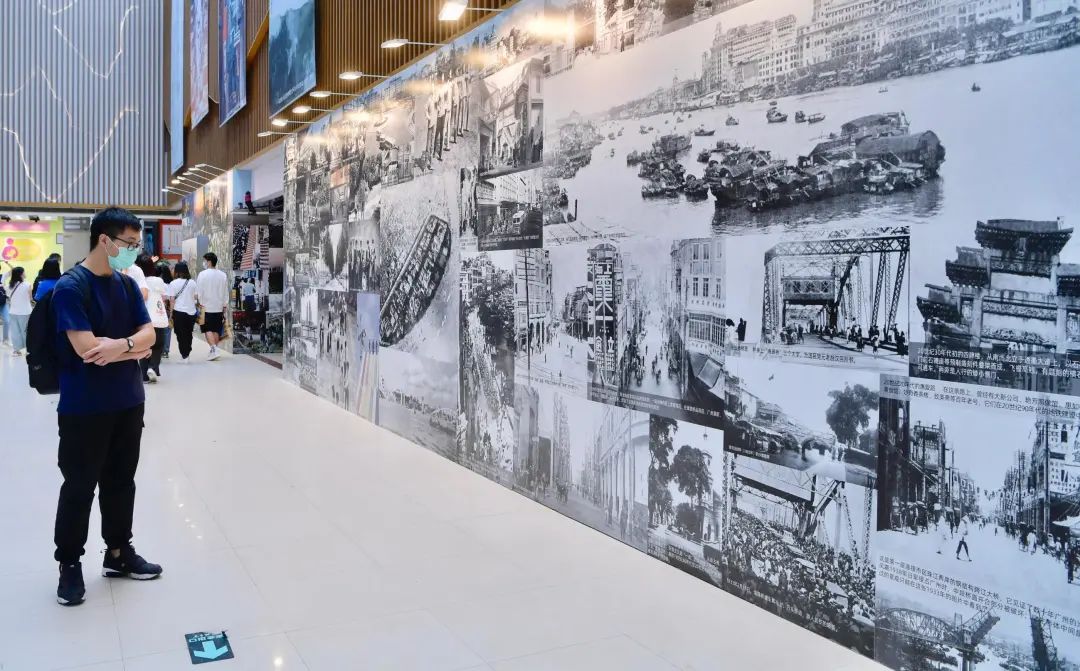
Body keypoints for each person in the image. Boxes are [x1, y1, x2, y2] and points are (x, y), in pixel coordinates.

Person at [50, 207, 162, 607]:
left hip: (128, 402)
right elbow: (86, 349)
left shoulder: (127, 285)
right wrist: (132, 348)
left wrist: (121, 346)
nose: (134, 251)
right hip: (85, 408)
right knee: (79, 487)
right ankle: (69, 563)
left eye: (137, 244)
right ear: (105, 240)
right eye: (129, 243)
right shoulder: (71, 287)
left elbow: (150, 336)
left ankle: (118, 553)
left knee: (120, 482)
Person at [135, 256, 168, 383]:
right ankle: (153, 367)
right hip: (158, 316)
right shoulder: (158, 280)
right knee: (158, 345)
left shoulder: (137, 280)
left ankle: (144, 375)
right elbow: (164, 296)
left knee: (143, 346)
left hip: (143, 318)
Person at [195, 252, 228, 361]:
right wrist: (225, 305)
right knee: (216, 329)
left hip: (206, 306)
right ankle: (214, 350)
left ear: (209, 262)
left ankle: (214, 349)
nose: (204, 263)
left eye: (204, 261)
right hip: (219, 306)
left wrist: (199, 301)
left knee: (207, 328)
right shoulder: (223, 275)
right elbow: (225, 292)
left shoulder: (202, 274)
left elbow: (199, 291)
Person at [165, 261, 198, 361]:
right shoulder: (192, 282)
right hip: (191, 312)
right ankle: (187, 352)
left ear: (177, 271)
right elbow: (196, 296)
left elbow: (172, 300)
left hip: (179, 312)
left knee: (180, 334)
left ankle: (184, 354)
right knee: (189, 332)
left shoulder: (173, 283)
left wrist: (171, 313)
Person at [7, 266, 32, 355]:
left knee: (15, 331)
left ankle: (16, 350)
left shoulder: (9, 286)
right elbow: (30, 298)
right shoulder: (27, 285)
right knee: (25, 331)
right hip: (25, 312)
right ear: (21, 274)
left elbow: (8, 296)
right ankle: (28, 349)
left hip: (13, 312)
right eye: (24, 272)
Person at [156, 262, 174, 358]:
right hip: (166, 310)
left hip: (157, 309)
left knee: (158, 330)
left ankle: (158, 350)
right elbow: (170, 300)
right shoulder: (169, 284)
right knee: (167, 331)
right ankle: (165, 350)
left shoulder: (158, 283)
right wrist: (171, 312)